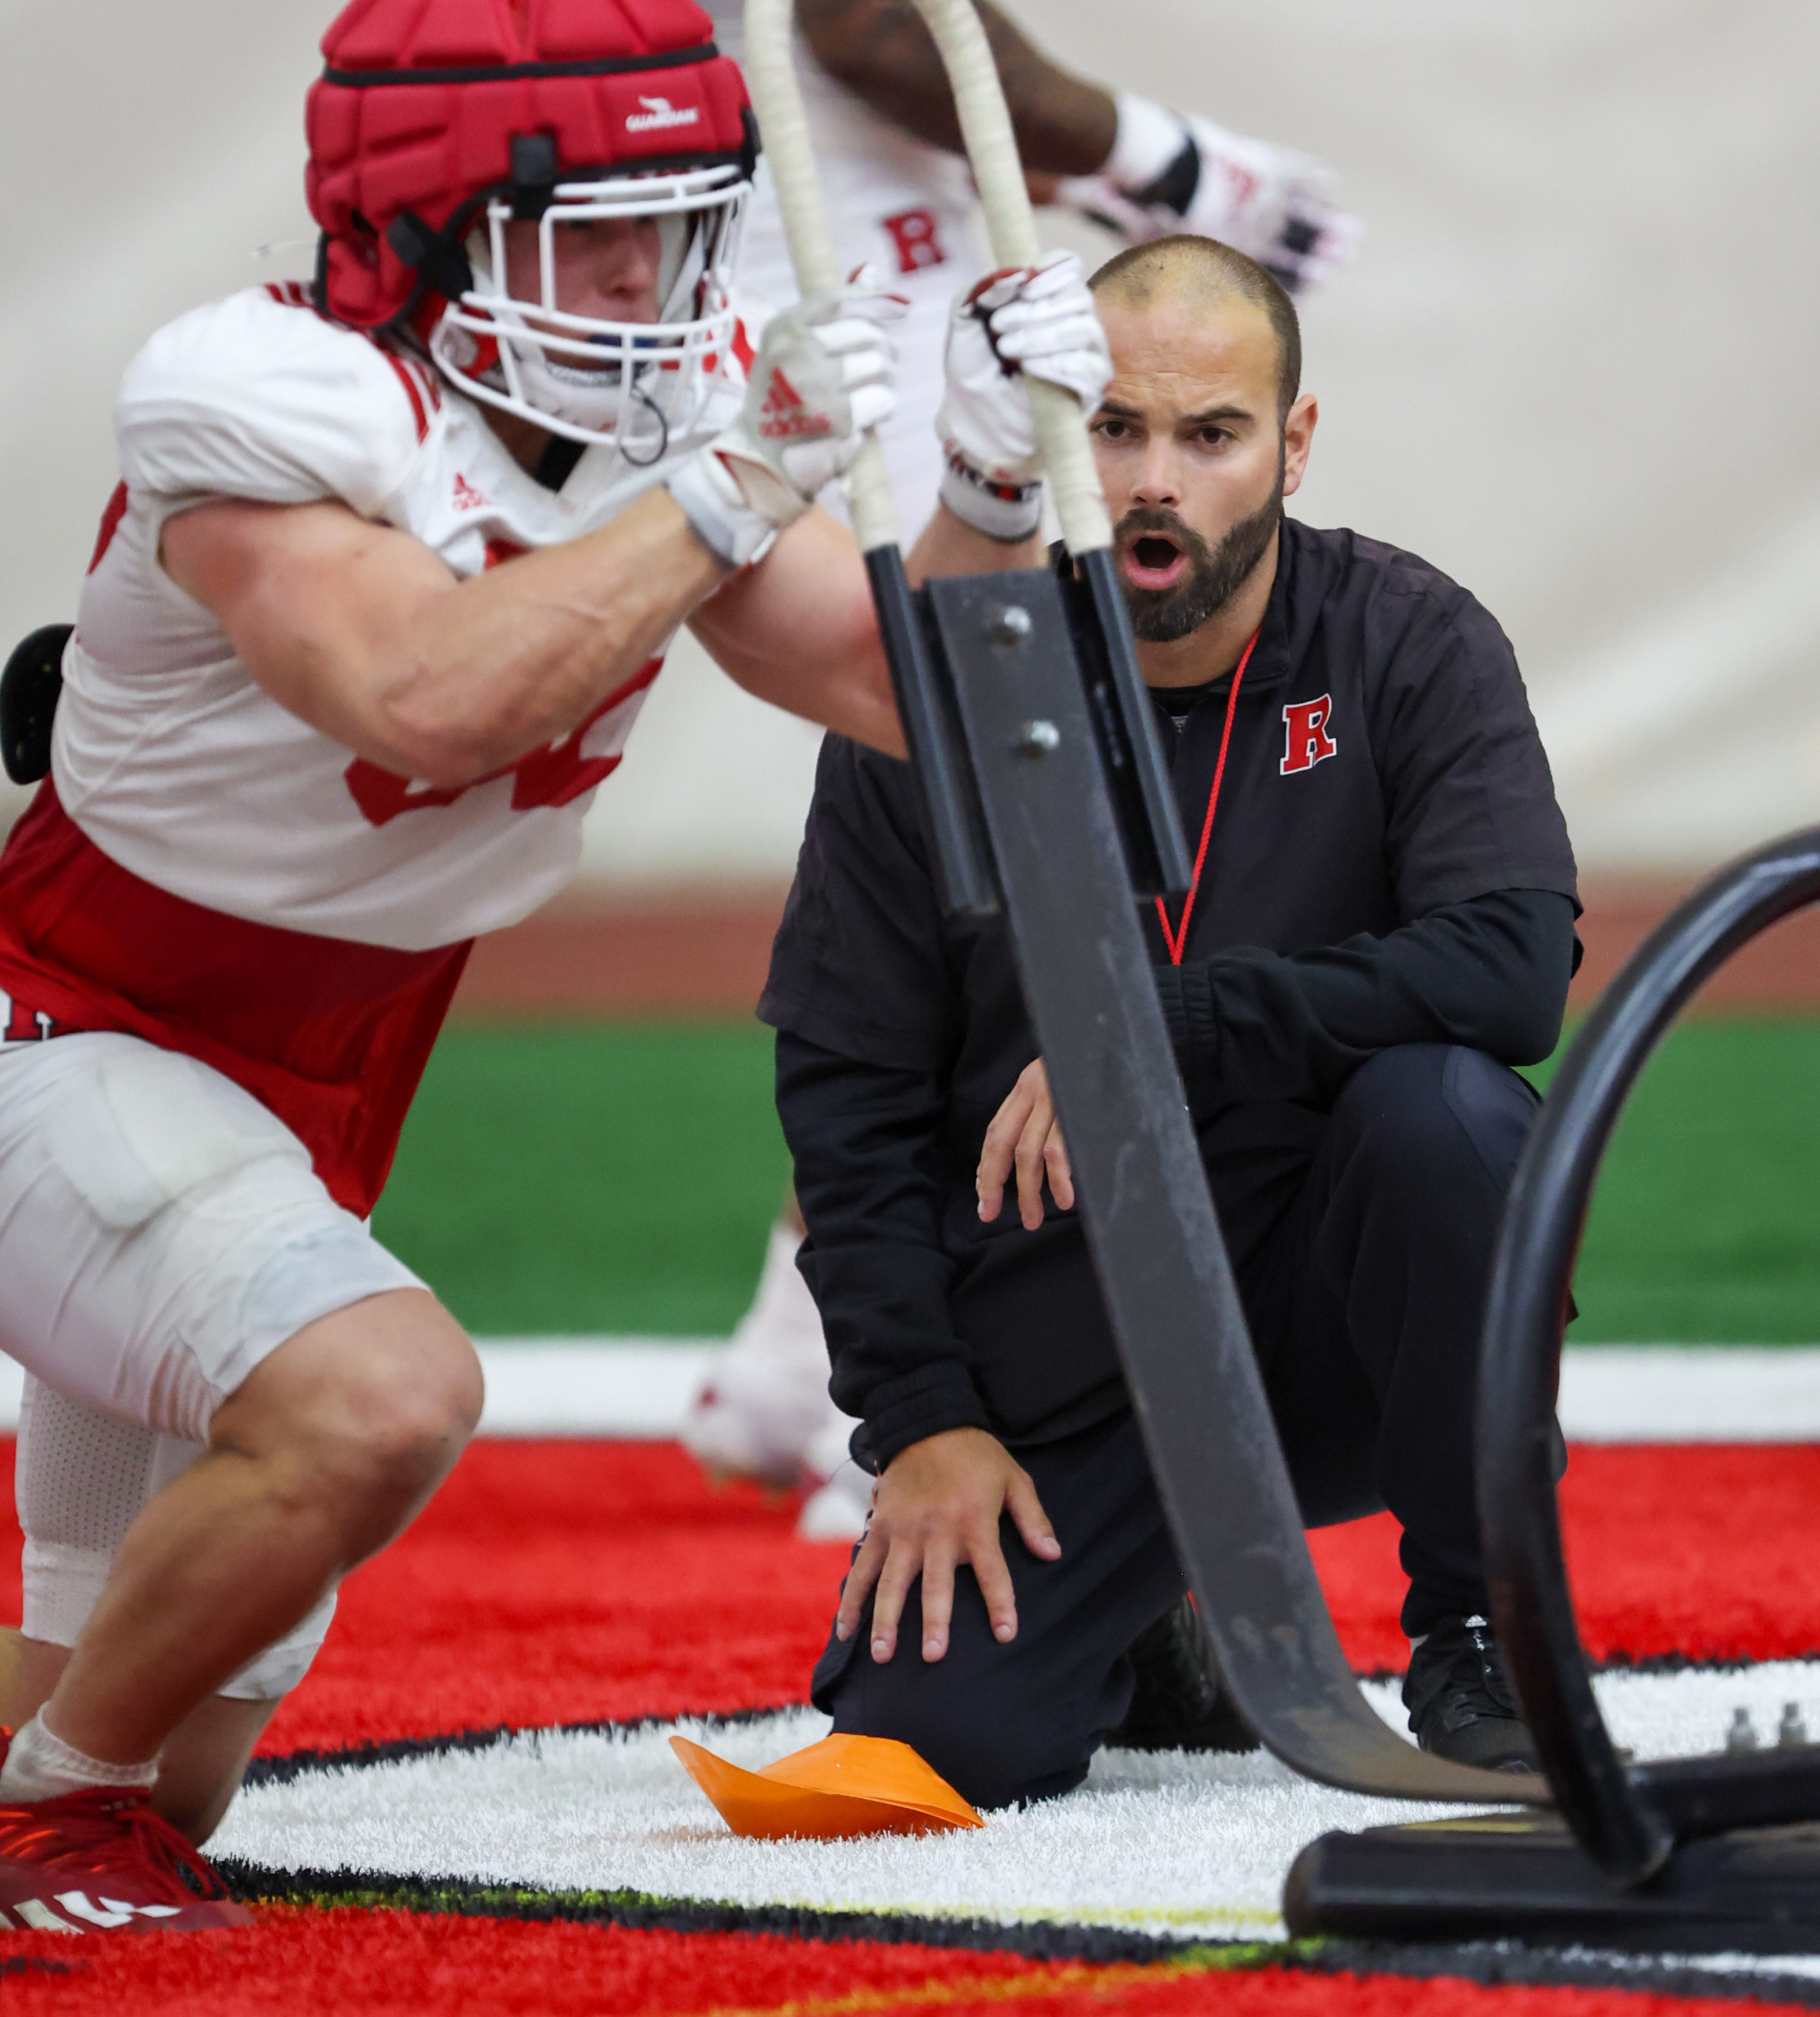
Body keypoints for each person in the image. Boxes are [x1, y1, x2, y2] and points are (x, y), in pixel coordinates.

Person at [0, 0, 1108, 1924]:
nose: (645, 276)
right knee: (375, 1400)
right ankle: (48, 1817)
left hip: (314, 1069)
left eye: (678, 222)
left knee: (176, 1740)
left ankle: (58, 1785)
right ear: (425, 222)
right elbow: (425, 700)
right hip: (75, 1017)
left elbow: (902, 686)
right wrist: (720, 489)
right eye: (590, 224)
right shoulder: (270, 398)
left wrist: (993, 487)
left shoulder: (649, 422)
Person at [759, 234, 1582, 1809]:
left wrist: (1157, 1030)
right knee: (937, 1747)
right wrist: (920, 1425)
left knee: (1449, 1115)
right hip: (1067, 1351)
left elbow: (1508, 971)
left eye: (1208, 436)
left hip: (1322, 1330)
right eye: (1112, 430)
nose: (1154, 481)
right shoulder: (930, 678)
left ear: (1292, 440)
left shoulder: (1406, 640)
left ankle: (1481, 1619)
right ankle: (1153, 1624)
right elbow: (843, 1094)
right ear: (1056, 435)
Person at [683, 0, 1361, 1538]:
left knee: (984, 796)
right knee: (1022, 816)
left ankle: (799, 1358)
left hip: (805, 248)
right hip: (819, 278)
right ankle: (920, 1381)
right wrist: (1166, 162)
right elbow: (869, 22)